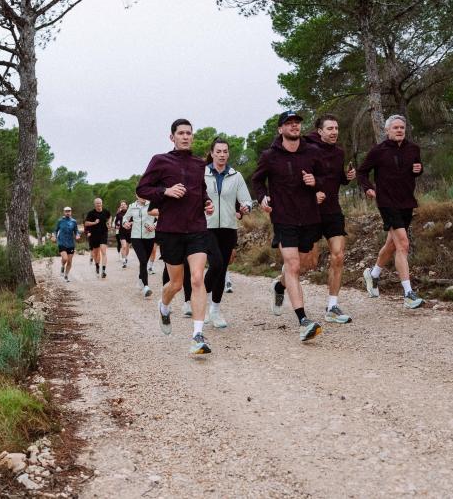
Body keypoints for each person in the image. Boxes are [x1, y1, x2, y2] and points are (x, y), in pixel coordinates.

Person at [137, 118, 215, 355]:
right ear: (172, 137)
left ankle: (197, 335)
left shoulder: (199, 163)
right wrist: (165, 191)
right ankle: (164, 305)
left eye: (189, 133)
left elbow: (200, 191)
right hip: (170, 230)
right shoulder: (160, 161)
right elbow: (142, 189)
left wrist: (207, 202)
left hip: (197, 230)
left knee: (198, 278)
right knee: (177, 283)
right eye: (181, 133)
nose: (186, 137)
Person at [251, 110, 325, 342]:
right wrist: (263, 198)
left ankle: (280, 286)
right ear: (280, 129)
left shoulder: (313, 152)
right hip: (284, 217)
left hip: (310, 216)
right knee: (292, 265)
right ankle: (303, 320)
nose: (294, 126)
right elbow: (257, 181)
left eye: (297, 123)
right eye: (289, 123)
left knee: (306, 263)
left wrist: (316, 183)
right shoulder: (269, 156)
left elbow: (326, 178)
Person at [358, 114, 425, 309]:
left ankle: (373, 274)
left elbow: (417, 169)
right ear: (387, 131)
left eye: (401, 128)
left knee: (392, 244)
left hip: (407, 201)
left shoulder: (414, 149)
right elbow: (362, 172)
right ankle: (408, 293)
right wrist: (367, 187)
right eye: (395, 127)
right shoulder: (378, 151)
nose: (399, 130)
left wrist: (418, 169)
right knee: (403, 244)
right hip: (387, 202)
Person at [295, 114, 357, 323]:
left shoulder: (339, 152)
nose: (334, 132)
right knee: (306, 263)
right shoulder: (307, 150)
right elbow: (298, 179)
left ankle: (332, 306)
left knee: (338, 255)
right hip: (311, 211)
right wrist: (312, 194)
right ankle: (281, 283)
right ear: (319, 131)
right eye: (330, 129)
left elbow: (334, 178)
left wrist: (346, 178)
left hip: (332, 211)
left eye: (336, 128)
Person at [202, 137, 253, 328]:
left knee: (222, 269)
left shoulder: (236, 176)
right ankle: (200, 301)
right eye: (219, 151)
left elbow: (246, 200)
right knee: (215, 263)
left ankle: (215, 311)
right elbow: (194, 198)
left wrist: (246, 207)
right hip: (207, 226)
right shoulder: (202, 174)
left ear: (228, 154)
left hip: (229, 227)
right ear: (212, 153)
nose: (222, 155)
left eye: (225, 151)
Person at [123, 195, 157, 297]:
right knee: (142, 260)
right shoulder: (132, 206)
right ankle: (146, 287)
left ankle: (140, 278)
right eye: (139, 194)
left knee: (144, 261)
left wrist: (154, 226)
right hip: (136, 237)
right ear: (136, 195)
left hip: (150, 237)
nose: (142, 196)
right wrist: (126, 223)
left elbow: (161, 217)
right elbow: (125, 218)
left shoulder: (152, 204)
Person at [85, 198, 112, 278]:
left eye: (100, 203)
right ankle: (97, 266)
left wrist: (109, 222)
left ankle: (103, 271)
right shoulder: (91, 213)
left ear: (102, 203)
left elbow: (110, 216)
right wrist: (94, 222)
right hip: (94, 235)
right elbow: (86, 223)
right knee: (96, 253)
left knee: (103, 251)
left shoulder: (105, 211)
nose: (99, 205)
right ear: (94, 204)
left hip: (103, 233)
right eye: (97, 203)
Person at [53, 207, 79, 282]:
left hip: (71, 243)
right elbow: (55, 230)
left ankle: (66, 275)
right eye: (66, 211)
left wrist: (77, 235)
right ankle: (62, 266)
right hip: (61, 242)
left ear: (71, 212)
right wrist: (54, 236)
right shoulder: (60, 221)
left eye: (69, 211)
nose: (67, 213)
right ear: (64, 212)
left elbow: (76, 231)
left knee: (70, 261)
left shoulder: (74, 221)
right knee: (65, 258)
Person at [114, 200, 131, 268]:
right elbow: (116, 222)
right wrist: (116, 225)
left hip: (129, 232)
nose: (123, 205)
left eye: (124, 204)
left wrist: (130, 224)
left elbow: (134, 221)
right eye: (122, 204)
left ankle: (125, 257)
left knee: (127, 247)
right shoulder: (119, 214)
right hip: (122, 232)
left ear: (126, 205)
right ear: (120, 206)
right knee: (123, 246)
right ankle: (124, 261)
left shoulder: (130, 213)